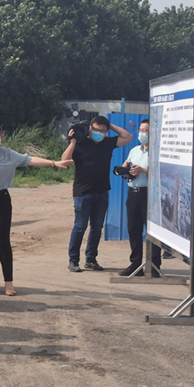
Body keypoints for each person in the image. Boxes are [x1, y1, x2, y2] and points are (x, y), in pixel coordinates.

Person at [0, 123, 73, 295]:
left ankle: (8, 283)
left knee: (3, 241)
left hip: (1, 199)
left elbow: (29, 160)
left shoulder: (8, 154)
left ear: (1, 138)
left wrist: (54, 163)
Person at [62, 116, 133, 273]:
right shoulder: (80, 143)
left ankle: (91, 259)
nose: (98, 133)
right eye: (95, 129)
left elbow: (128, 137)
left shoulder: (108, 143)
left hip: (101, 192)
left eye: (102, 131)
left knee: (96, 228)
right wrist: (72, 142)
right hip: (82, 193)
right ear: (89, 128)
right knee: (80, 227)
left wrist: (109, 124)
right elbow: (64, 160)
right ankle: (73, 260)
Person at [119, 119, 162, 277]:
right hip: (133, 192)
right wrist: (125, 170)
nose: (142, 133)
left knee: (152, 231)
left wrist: (143, 170)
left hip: (149, 194)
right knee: (133, 229)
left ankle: (154, 266)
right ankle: (135, 264)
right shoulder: (134, 151)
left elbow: (162, 173)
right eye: (141, 130)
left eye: (146, 131)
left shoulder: (157, 151)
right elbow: (129, 170)